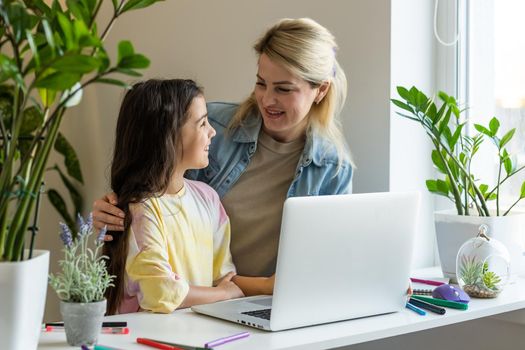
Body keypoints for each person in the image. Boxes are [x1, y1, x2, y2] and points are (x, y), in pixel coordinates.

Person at [94, 18, 353, 279]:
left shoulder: (332, 169)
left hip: (267, 305)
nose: (267, 99)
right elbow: (156, 202)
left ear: (320, 90)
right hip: (192, 299)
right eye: (261, 83)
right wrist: (114, 212)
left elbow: (324, 263)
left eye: (284, 89)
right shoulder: (212, 126)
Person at [104, 79, 273, 315]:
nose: (213, 131)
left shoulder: (209, 199)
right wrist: (224, 294)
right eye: (202, 123)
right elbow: (159, 291)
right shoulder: (141, 209)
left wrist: (266, 286)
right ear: (168, 136)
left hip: (195, 333)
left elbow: (222, 277)